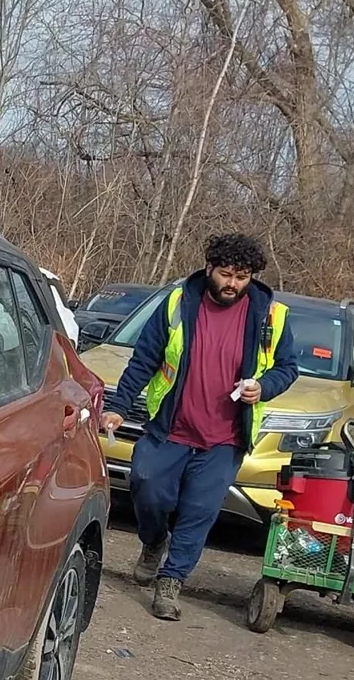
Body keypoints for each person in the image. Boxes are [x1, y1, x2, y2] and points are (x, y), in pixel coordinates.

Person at [101, 233, 300, 620]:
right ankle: (153, 542)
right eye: (225, 274)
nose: (232, 284)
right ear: (209, 268)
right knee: (146, 487)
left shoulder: (272, 316)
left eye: (241, 277)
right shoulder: (177, 303)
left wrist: (264, 387)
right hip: (170, 428)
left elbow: (287, 368)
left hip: (225, 438)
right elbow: (145, 359)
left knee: (199, 511)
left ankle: (170, 582)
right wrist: (119, 406)